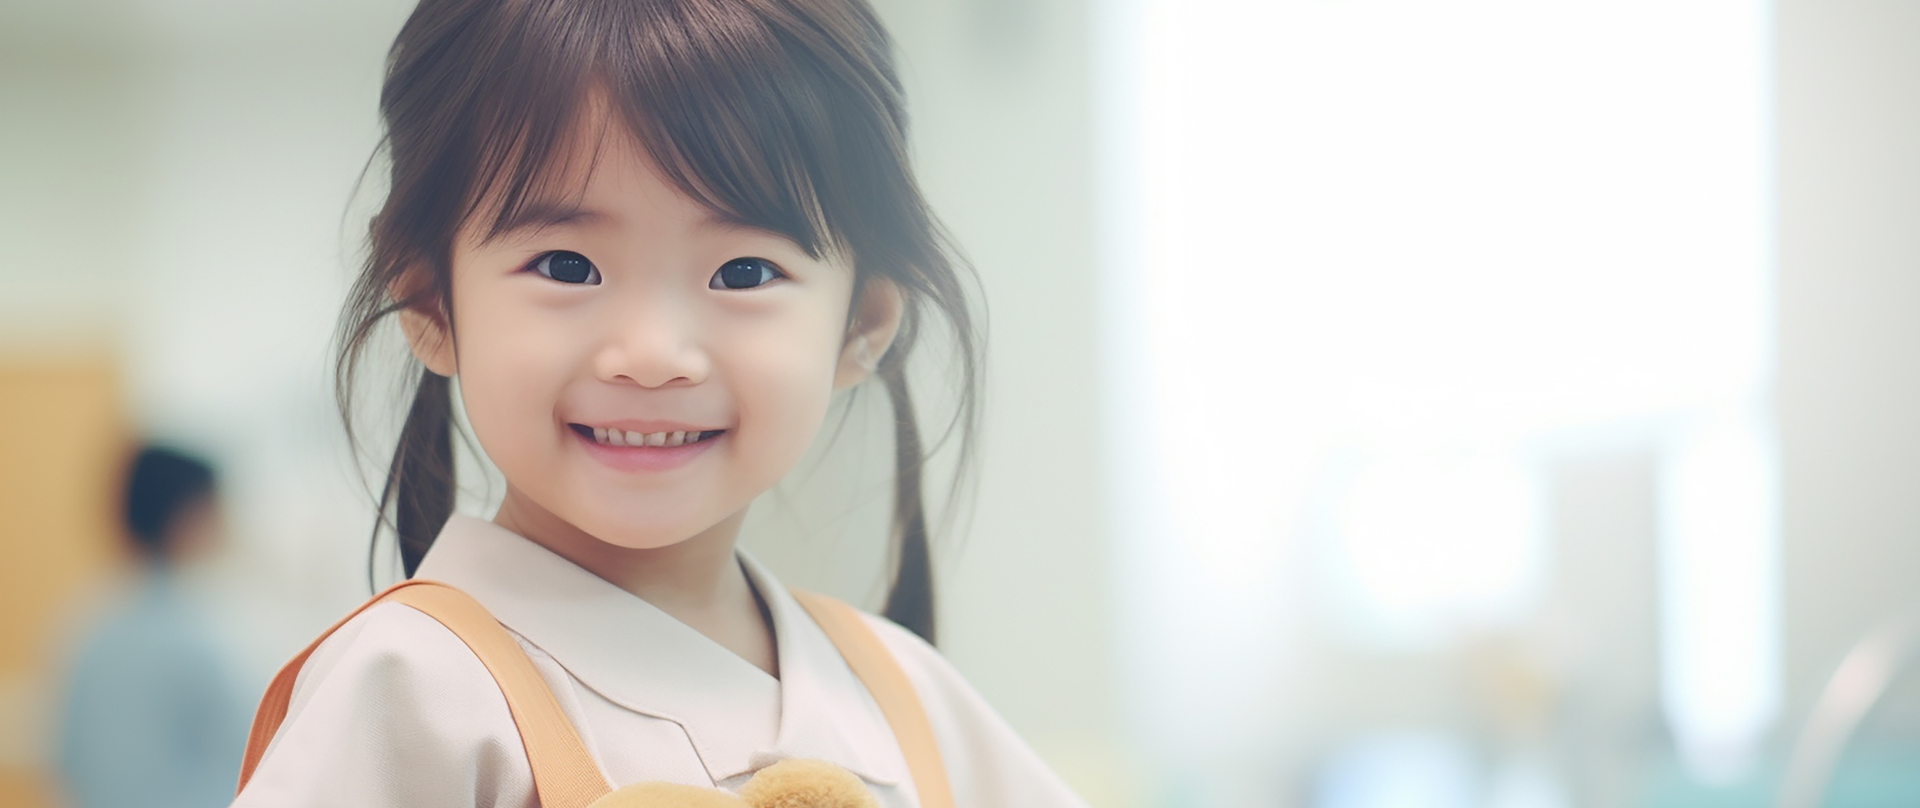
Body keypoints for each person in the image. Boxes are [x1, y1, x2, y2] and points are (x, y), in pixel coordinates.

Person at [230, 0, 1085, 806]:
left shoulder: (910, 700)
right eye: (567, 265)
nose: (651, 355)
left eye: (744, 272)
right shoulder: (410, 693)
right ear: (427, 299)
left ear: (861, 323)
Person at [57, 445, 249, 808]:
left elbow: (66, 757)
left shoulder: (86, 625)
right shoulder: (195, 639)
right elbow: (255, 756)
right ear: (186, 517)